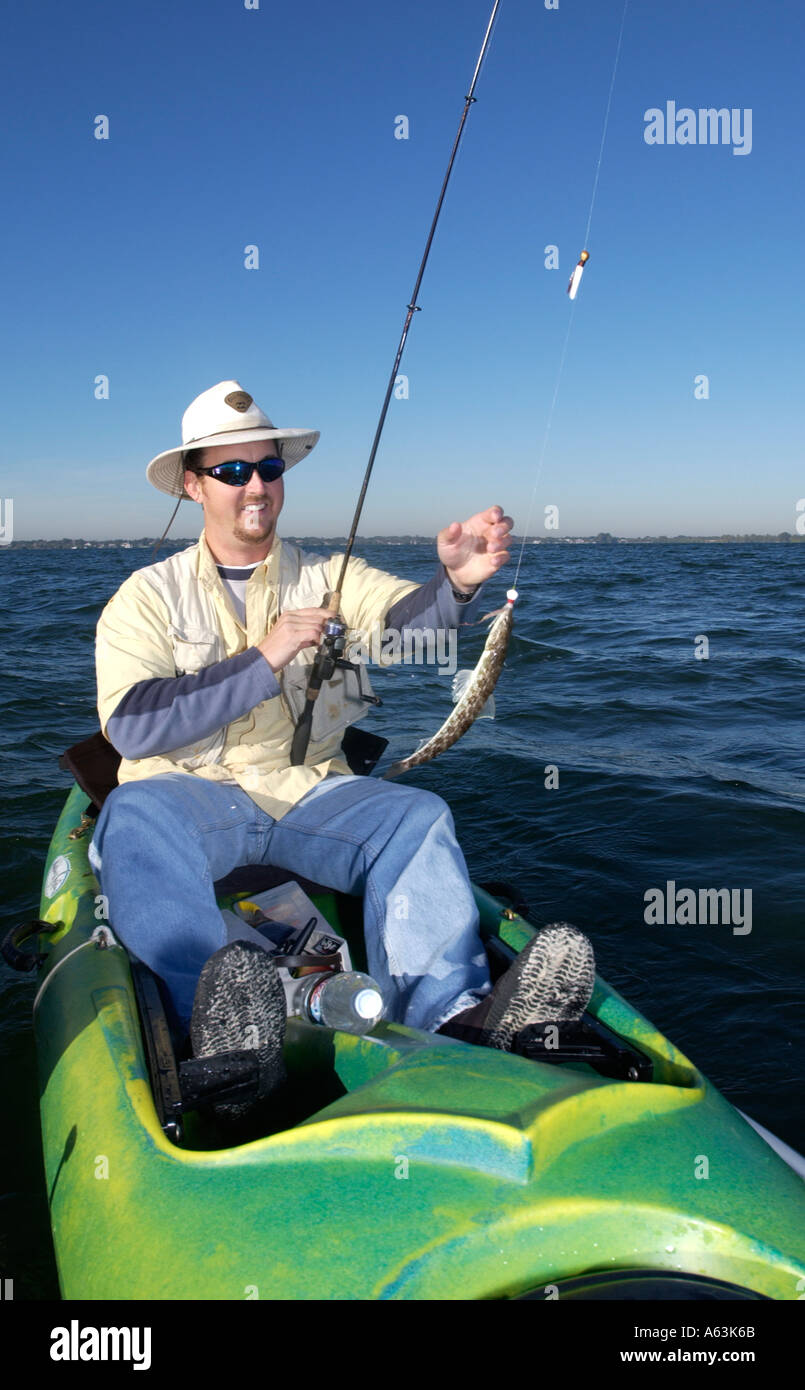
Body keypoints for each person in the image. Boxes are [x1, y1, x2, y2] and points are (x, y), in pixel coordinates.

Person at [90, 380, 595, 1115]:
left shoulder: (330, 576)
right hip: (190, 798)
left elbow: (403, 630)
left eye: (268, 468)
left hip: (306, 791)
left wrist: (452, 586)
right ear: (195, 485)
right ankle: (224, 1034)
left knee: (416, 815)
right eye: (232, 472)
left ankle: (452, 1016)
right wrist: (262, 658)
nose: (255, 486)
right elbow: (134, 727)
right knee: (132, 819)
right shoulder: (145, 595)